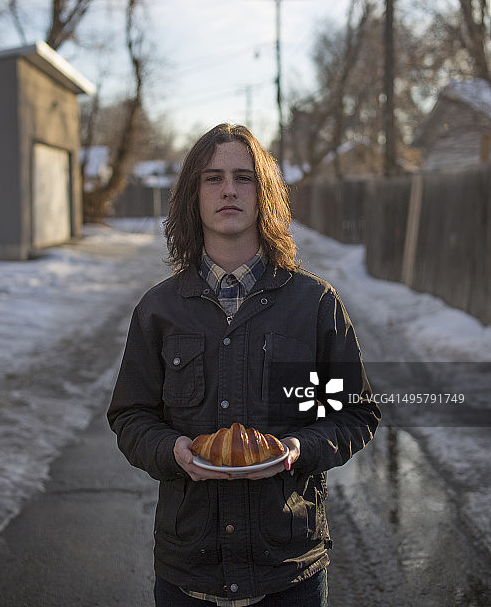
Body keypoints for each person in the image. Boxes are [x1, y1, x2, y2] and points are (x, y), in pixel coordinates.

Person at [107, 123, 380, 607]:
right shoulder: (159, 310)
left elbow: (354, 415)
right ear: (193, 195)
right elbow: (130, 417)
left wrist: (298, 448)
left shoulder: (314, 304)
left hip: (289, 572)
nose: (229, 189)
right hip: (188, 572)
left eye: (244, 177)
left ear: (265, 194)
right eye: (212, 178)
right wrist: (174, 450)